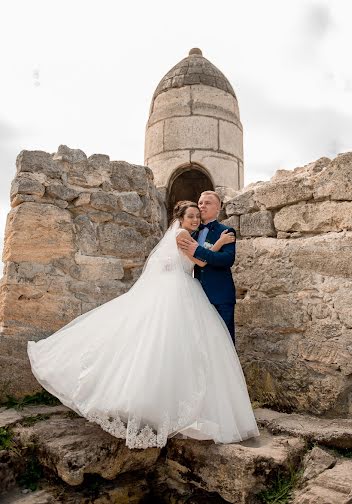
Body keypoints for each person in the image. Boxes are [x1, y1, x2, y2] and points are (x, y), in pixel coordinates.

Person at [27, 201, 259, 449]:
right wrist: (221, 243)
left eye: (196, 216)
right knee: (163, 341)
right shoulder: (181, 235)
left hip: (182, 288)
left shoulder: (183, 235)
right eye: (190, 216)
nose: (195, 219)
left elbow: (195, 258)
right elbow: (200, 262)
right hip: (177, 290)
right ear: (180, 218)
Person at [177, 191, 237, 344]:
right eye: (200, 203)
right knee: (202, 343)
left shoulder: (226, 232)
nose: (202, 206)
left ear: (218, 208)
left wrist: (198, 250)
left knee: (225, 341)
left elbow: (227, 259)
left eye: (208, 203)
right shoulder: (190, 233)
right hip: (198, 296)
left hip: (221, 295)